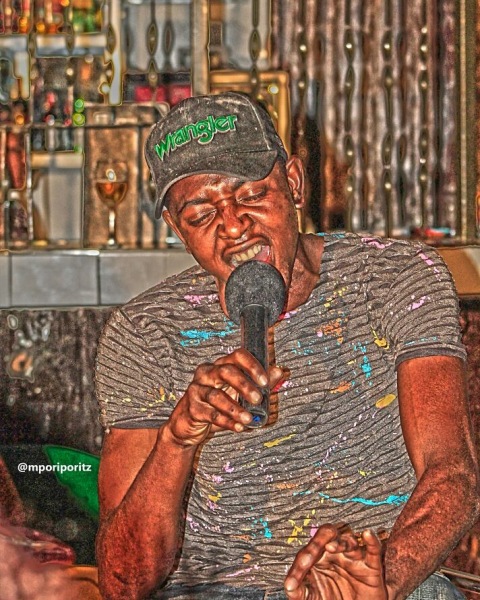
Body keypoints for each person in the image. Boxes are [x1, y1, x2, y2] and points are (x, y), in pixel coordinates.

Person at [95, 92, 479, 600]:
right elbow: (123, 582)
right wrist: (177, 440)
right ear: (176, 228)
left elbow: (451, 474)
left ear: (293, 183)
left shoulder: (394, 277)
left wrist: (381, 580)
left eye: (252, 194)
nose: (234, 226)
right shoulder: (144, 331)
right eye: (201, 214)